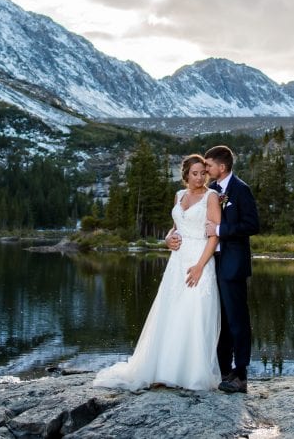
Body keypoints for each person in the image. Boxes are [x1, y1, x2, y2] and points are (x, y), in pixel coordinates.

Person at [92, 154, 222, 391]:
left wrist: (200, 266)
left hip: (198, 260)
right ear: (186, 175)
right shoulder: (180, 195)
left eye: (203, 173)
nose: (200, 177)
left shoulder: (211, 197)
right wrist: (166, 238)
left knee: (193, 313)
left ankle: (191, 374)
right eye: (195, 173)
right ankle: (163, 370)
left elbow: (214, 236)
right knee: (170, 313)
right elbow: (175, 227)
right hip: (177, 262)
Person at [167, 144, 259, 393]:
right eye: (201, 168)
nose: (205, 170)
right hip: (211, 263)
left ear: (222, 166)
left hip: (232, 264)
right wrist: (170, 238)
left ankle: (240, 375)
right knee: (220, 319)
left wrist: (220, 231)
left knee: (237, 320)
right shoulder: (213, 190)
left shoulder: (240, 190)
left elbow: (252, 225)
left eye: (208, 166)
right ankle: (222, 369)